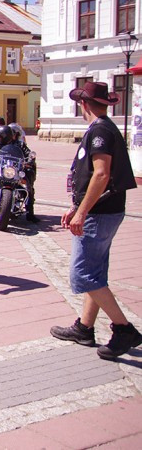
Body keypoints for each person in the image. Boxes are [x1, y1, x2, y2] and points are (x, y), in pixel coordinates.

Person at [50, 82, 140, 360]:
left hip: (99, 214)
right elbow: (90, 176)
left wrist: (81, 212)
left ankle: (124, 329)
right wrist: (75, 206)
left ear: (84, 104)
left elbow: (101, 175)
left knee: (83, 275)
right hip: (103, 211)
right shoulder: (104, 127)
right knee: (95, 273)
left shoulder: (100, 130)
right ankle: (84, 328)